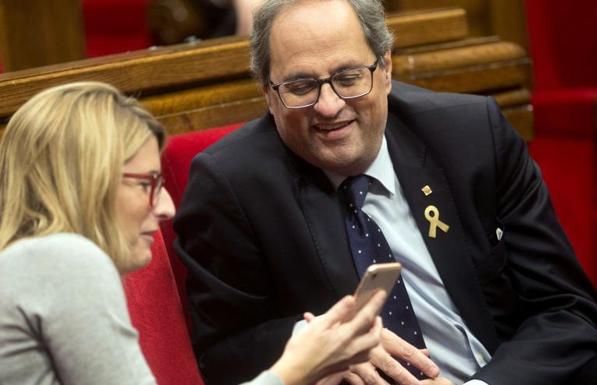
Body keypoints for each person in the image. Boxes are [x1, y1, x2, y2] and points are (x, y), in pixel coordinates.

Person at [173, 0, 597, 384]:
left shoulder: (469, 135)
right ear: (268, 93)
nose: (329, 106)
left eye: (349, 77)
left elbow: (567, 308)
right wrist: (321, 343)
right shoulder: (234, 184)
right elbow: (221, 353)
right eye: (301, 86)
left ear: (385, 68)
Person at [0, 81, 386, 385]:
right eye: (147, 183)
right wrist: (296, 370)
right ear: (87, 182)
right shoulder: (64, 259)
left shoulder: (34, 261)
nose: (167, 207)